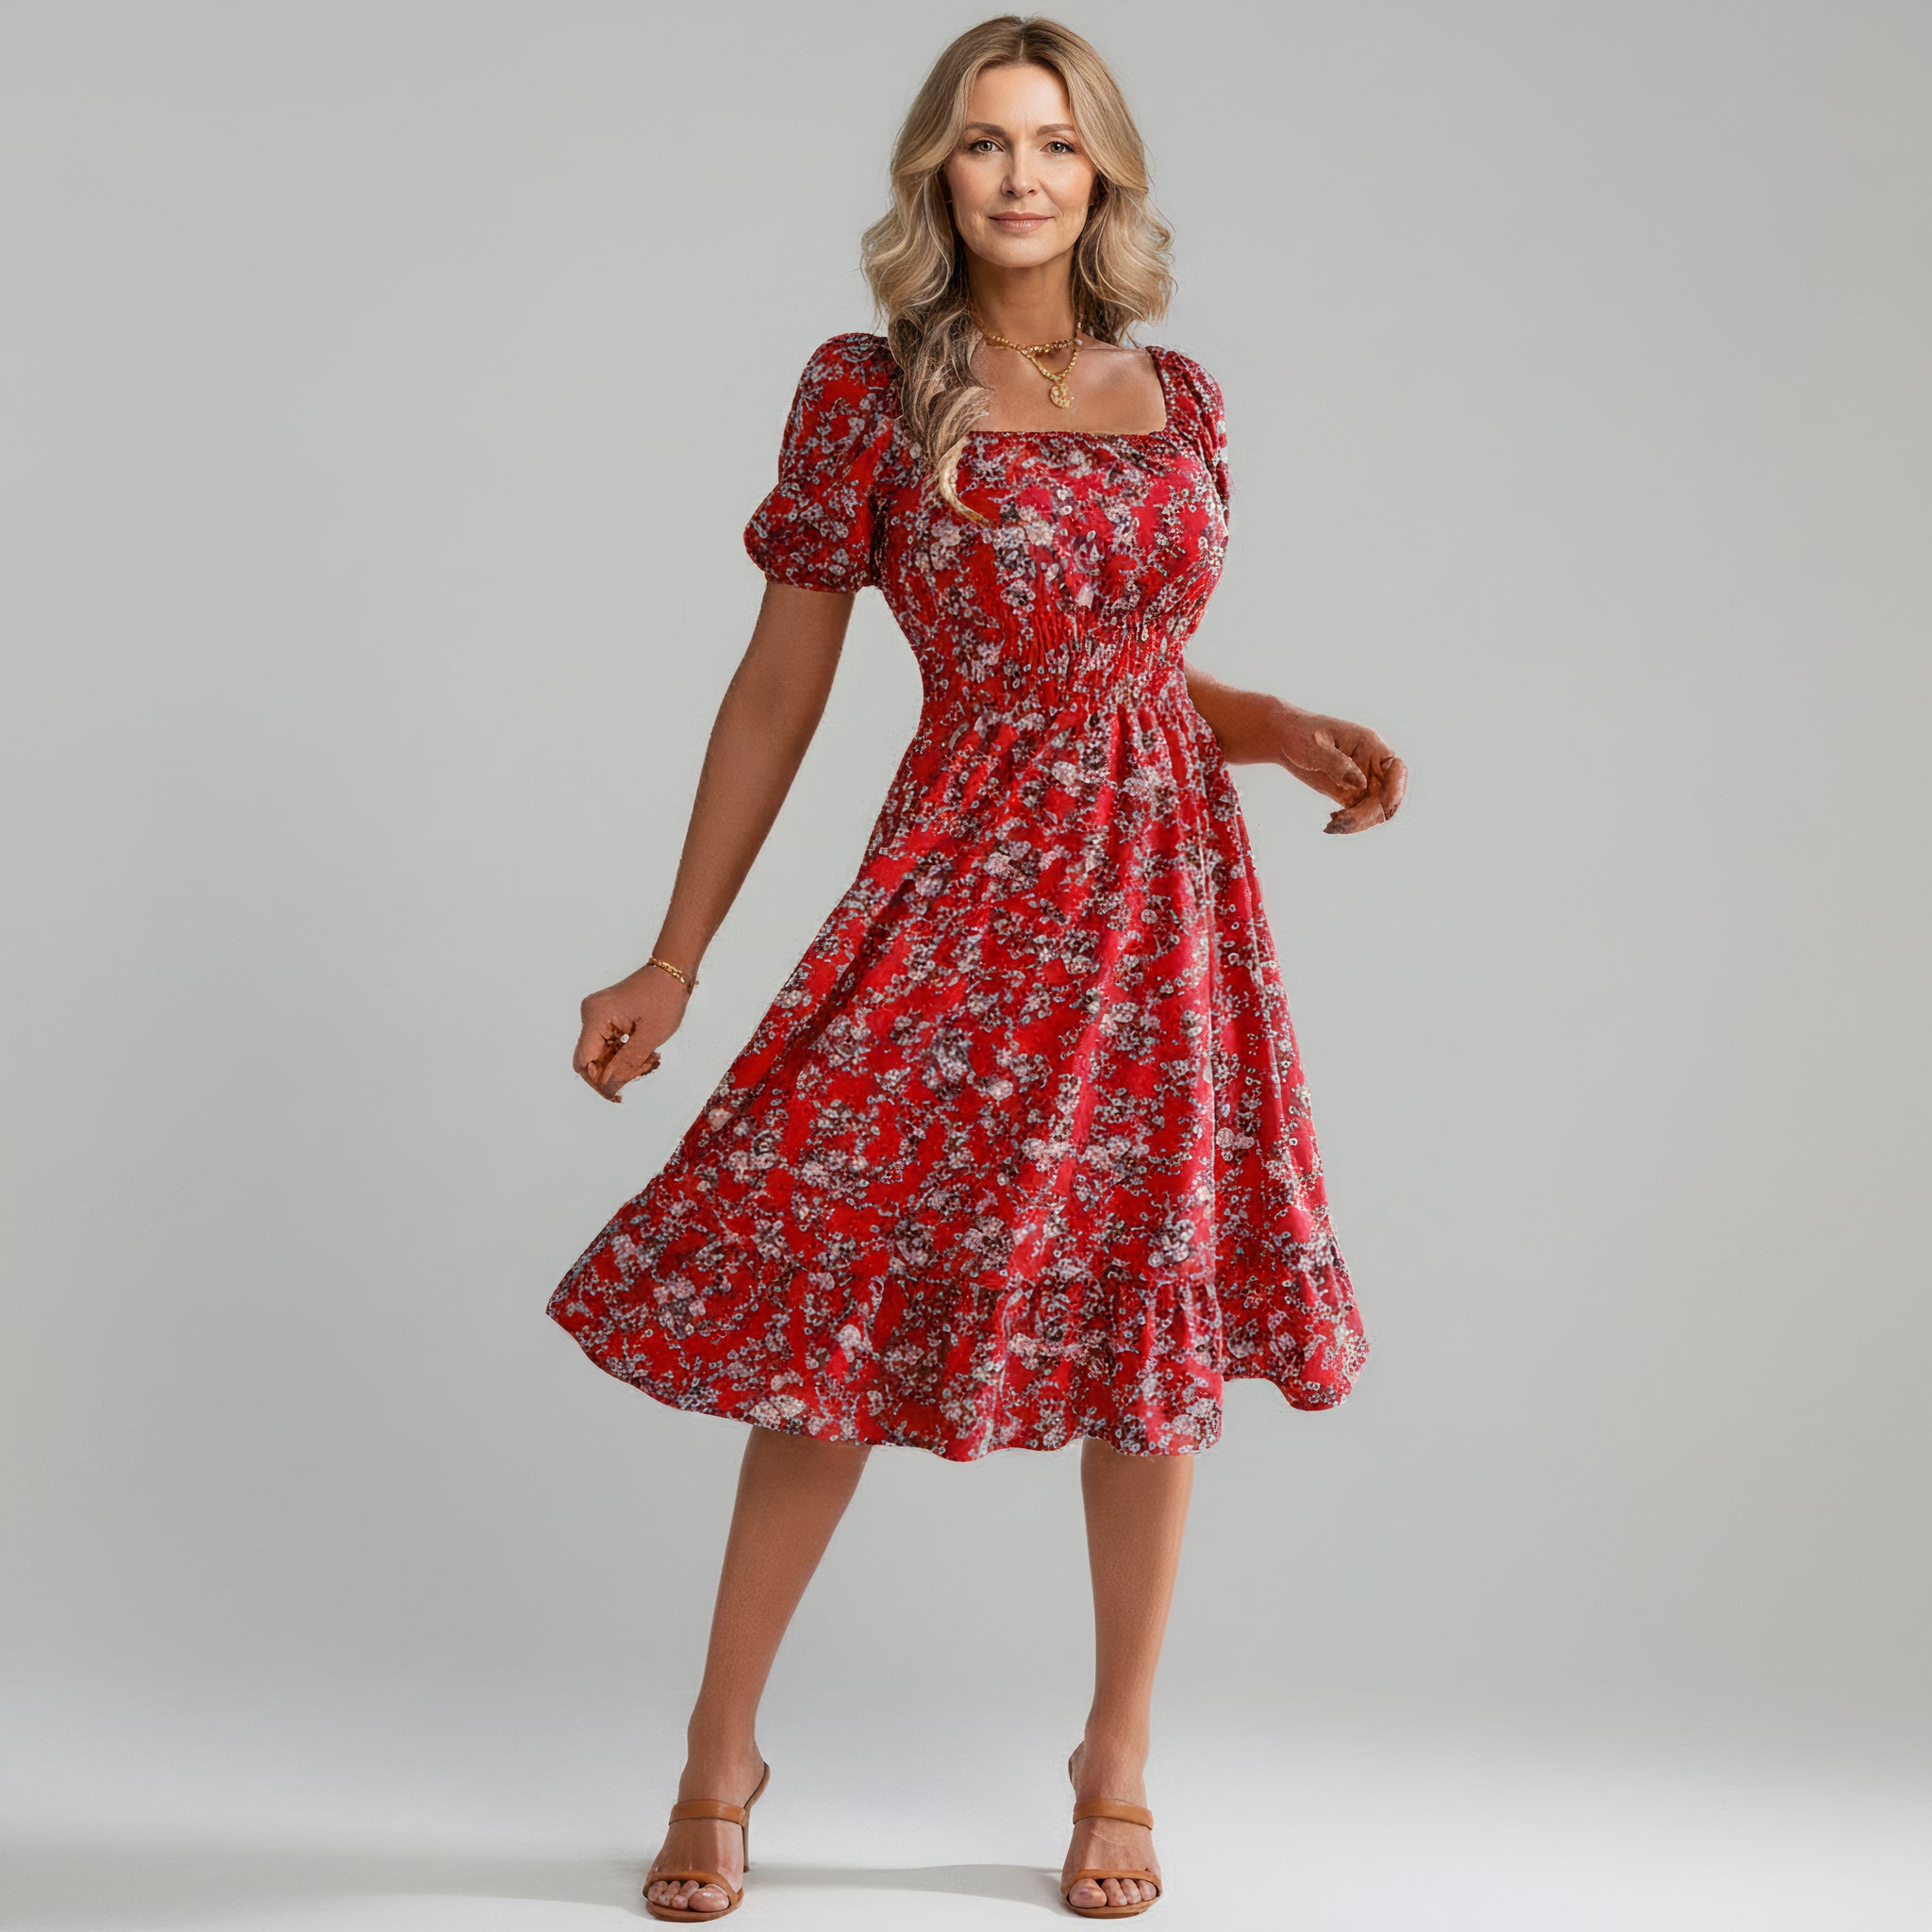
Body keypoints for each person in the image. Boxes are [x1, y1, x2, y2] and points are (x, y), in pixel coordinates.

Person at [548, 15, 1405, 1922]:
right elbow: (785, 683)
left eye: (1055, 143)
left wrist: (1283, 725)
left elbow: (1131, 666)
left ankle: (1115, 1759)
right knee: (835, 1315)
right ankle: (718, 1751)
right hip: (964, 886)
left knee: (1145, 1312)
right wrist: (676, 952)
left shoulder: (1172, 393)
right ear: (935, 174)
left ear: (1102, 175)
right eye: (983, 143)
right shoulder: (865, 391)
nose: (1020, 174)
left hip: (1163, 904)